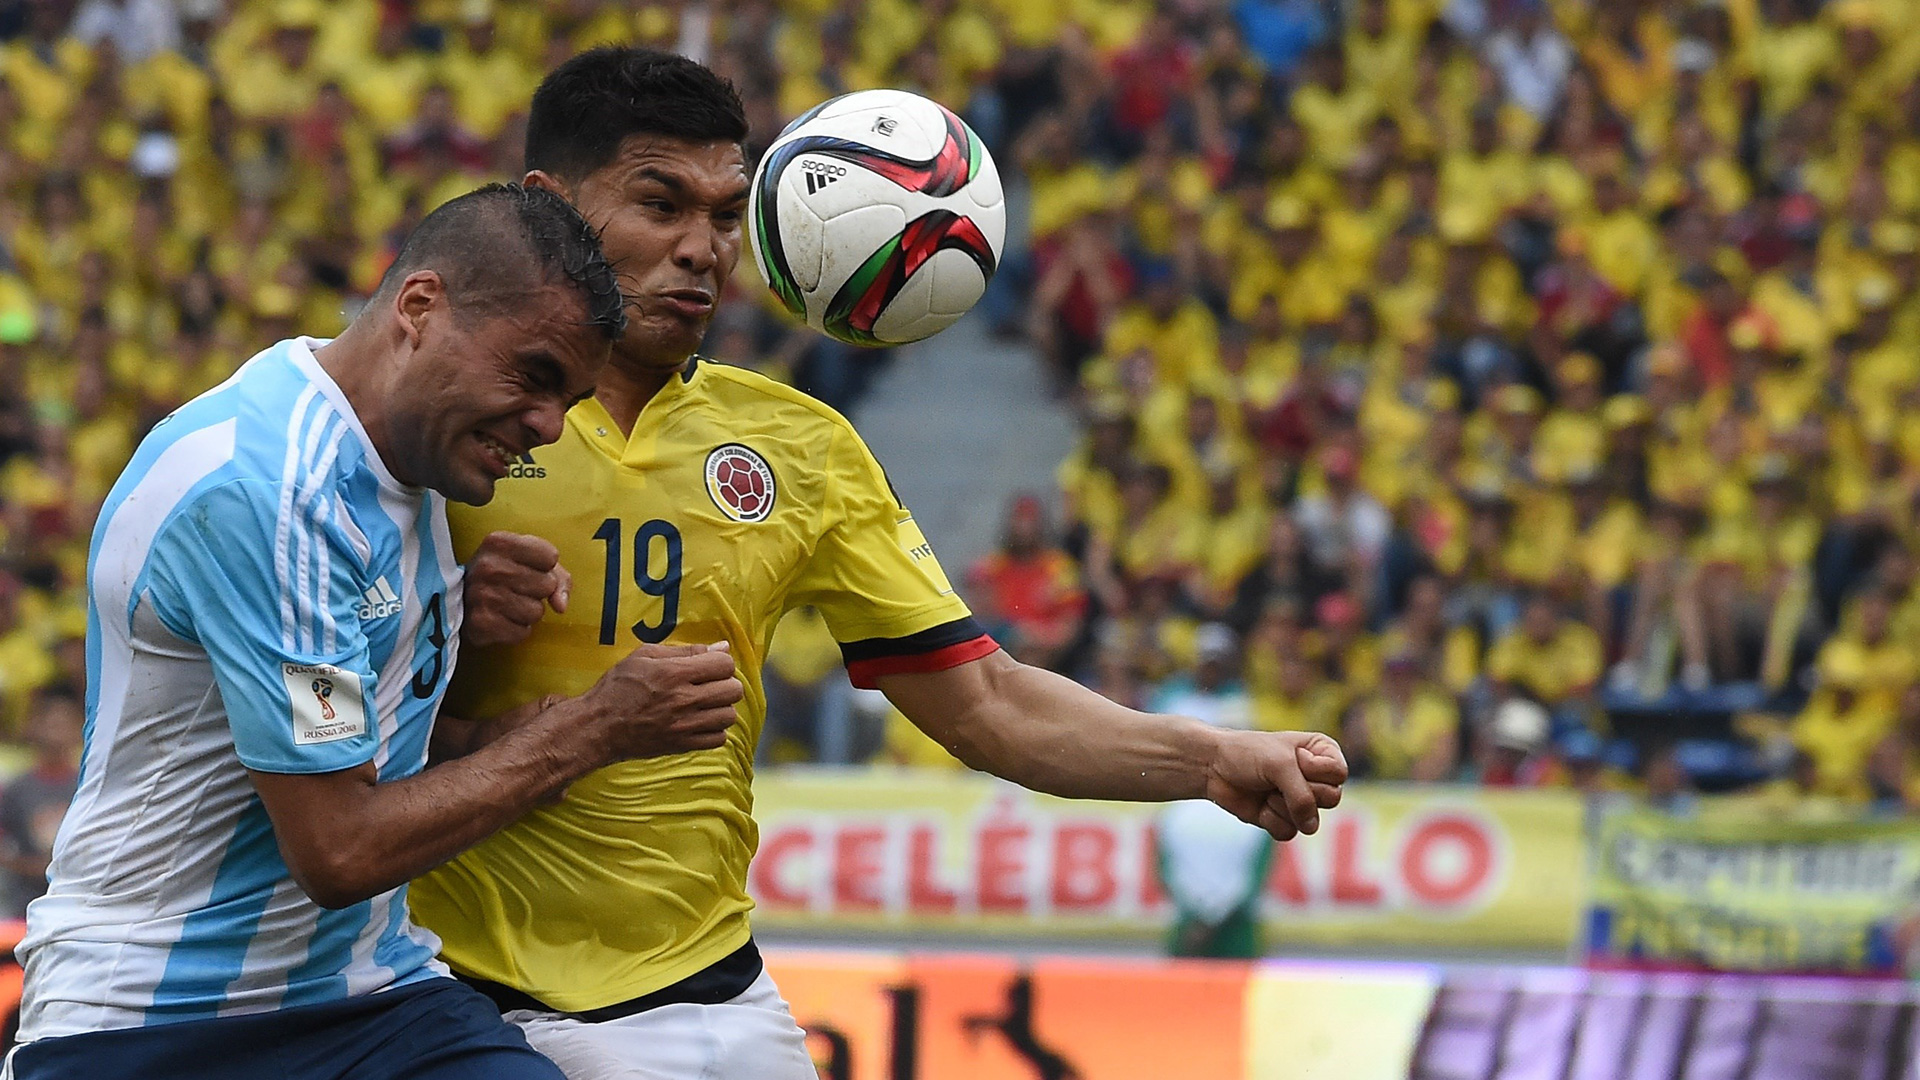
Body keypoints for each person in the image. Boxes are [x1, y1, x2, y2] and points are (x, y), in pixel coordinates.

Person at [411, 48, 1347, 1080]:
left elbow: (988, 703)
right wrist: (442, 618)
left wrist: (1209, 761)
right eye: (660, 204)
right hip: (440, 1001)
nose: (701, 250)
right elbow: (302, 719)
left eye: (726, 217)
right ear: (548, 207)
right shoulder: (430, 418)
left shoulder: (801, 449)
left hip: (703, 1005)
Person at [5, 185, 750, 1080]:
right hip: (155, 1025)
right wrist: (588, 732)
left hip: (368, 997)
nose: (550, 426)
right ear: (420, 309)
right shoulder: (272, 490)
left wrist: (469, 670)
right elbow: (340, 845)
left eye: (571, 397)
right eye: (535, 376)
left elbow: (353, 747)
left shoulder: (405, 454)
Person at [0, 686, 82, 919]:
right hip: (24, 908)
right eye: (50, 724)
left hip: (76, 906)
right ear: (34, 727)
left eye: (64, 724)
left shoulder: (87, 786)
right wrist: (34, 866)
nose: (56, 733)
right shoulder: (17, 789)